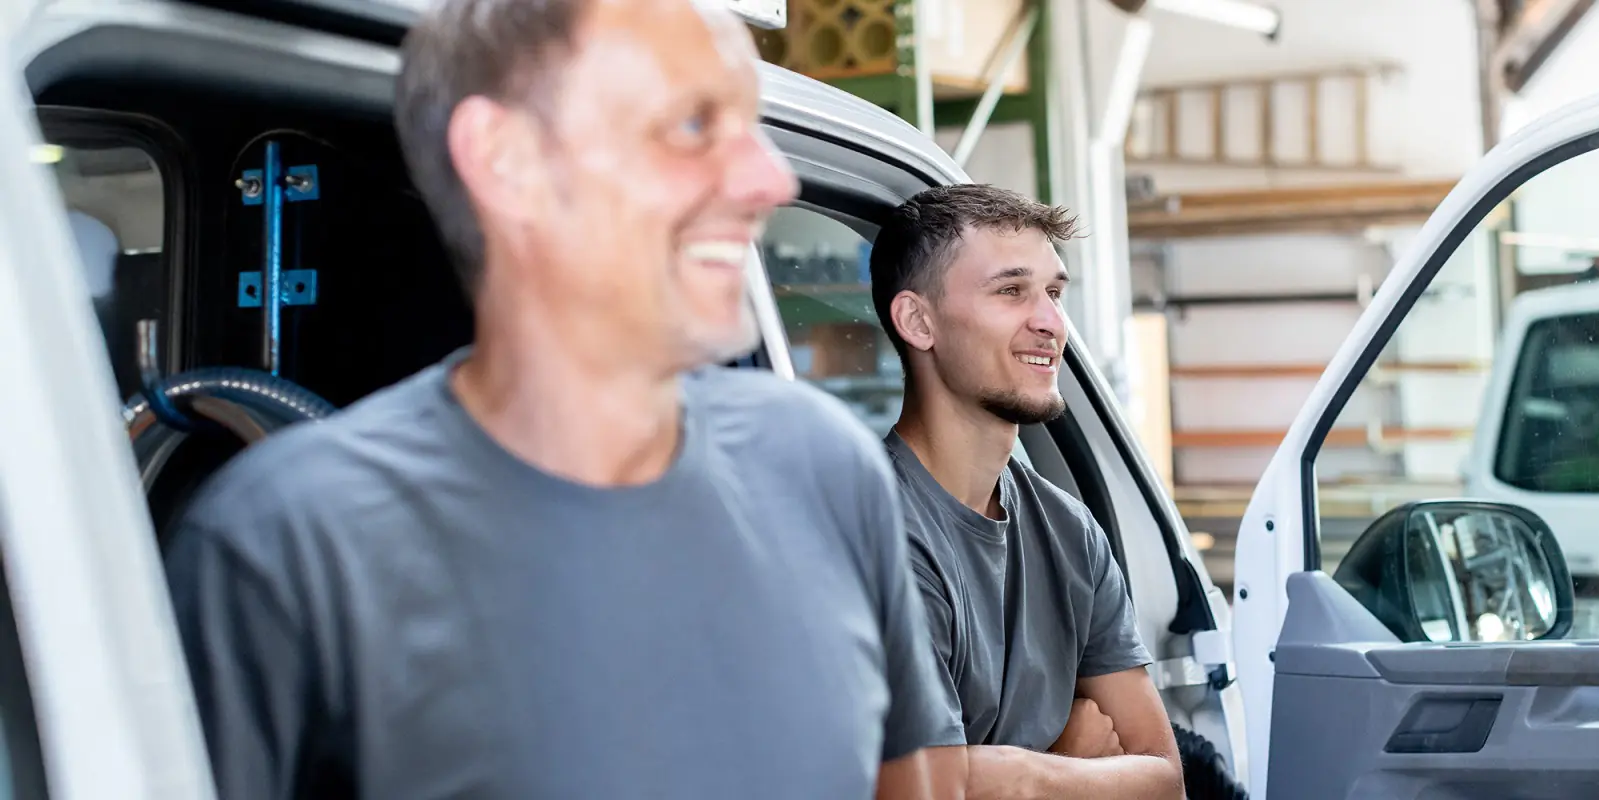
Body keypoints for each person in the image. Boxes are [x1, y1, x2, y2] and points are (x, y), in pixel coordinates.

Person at [162, 0, 964, 797]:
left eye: (750, 129)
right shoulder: (290, 546)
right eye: (691, 126)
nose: (770, 177)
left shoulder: (826, 468)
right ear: (506, 161)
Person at [868, 184, 1184, 799]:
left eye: (1054, 293)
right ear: (917, 321)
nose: (1051, 323)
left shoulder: (1069, 531)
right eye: (1011, 291)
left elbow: (1166, 779)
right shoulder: (879, 536)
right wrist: (1063, 758)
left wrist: (1017, 776)